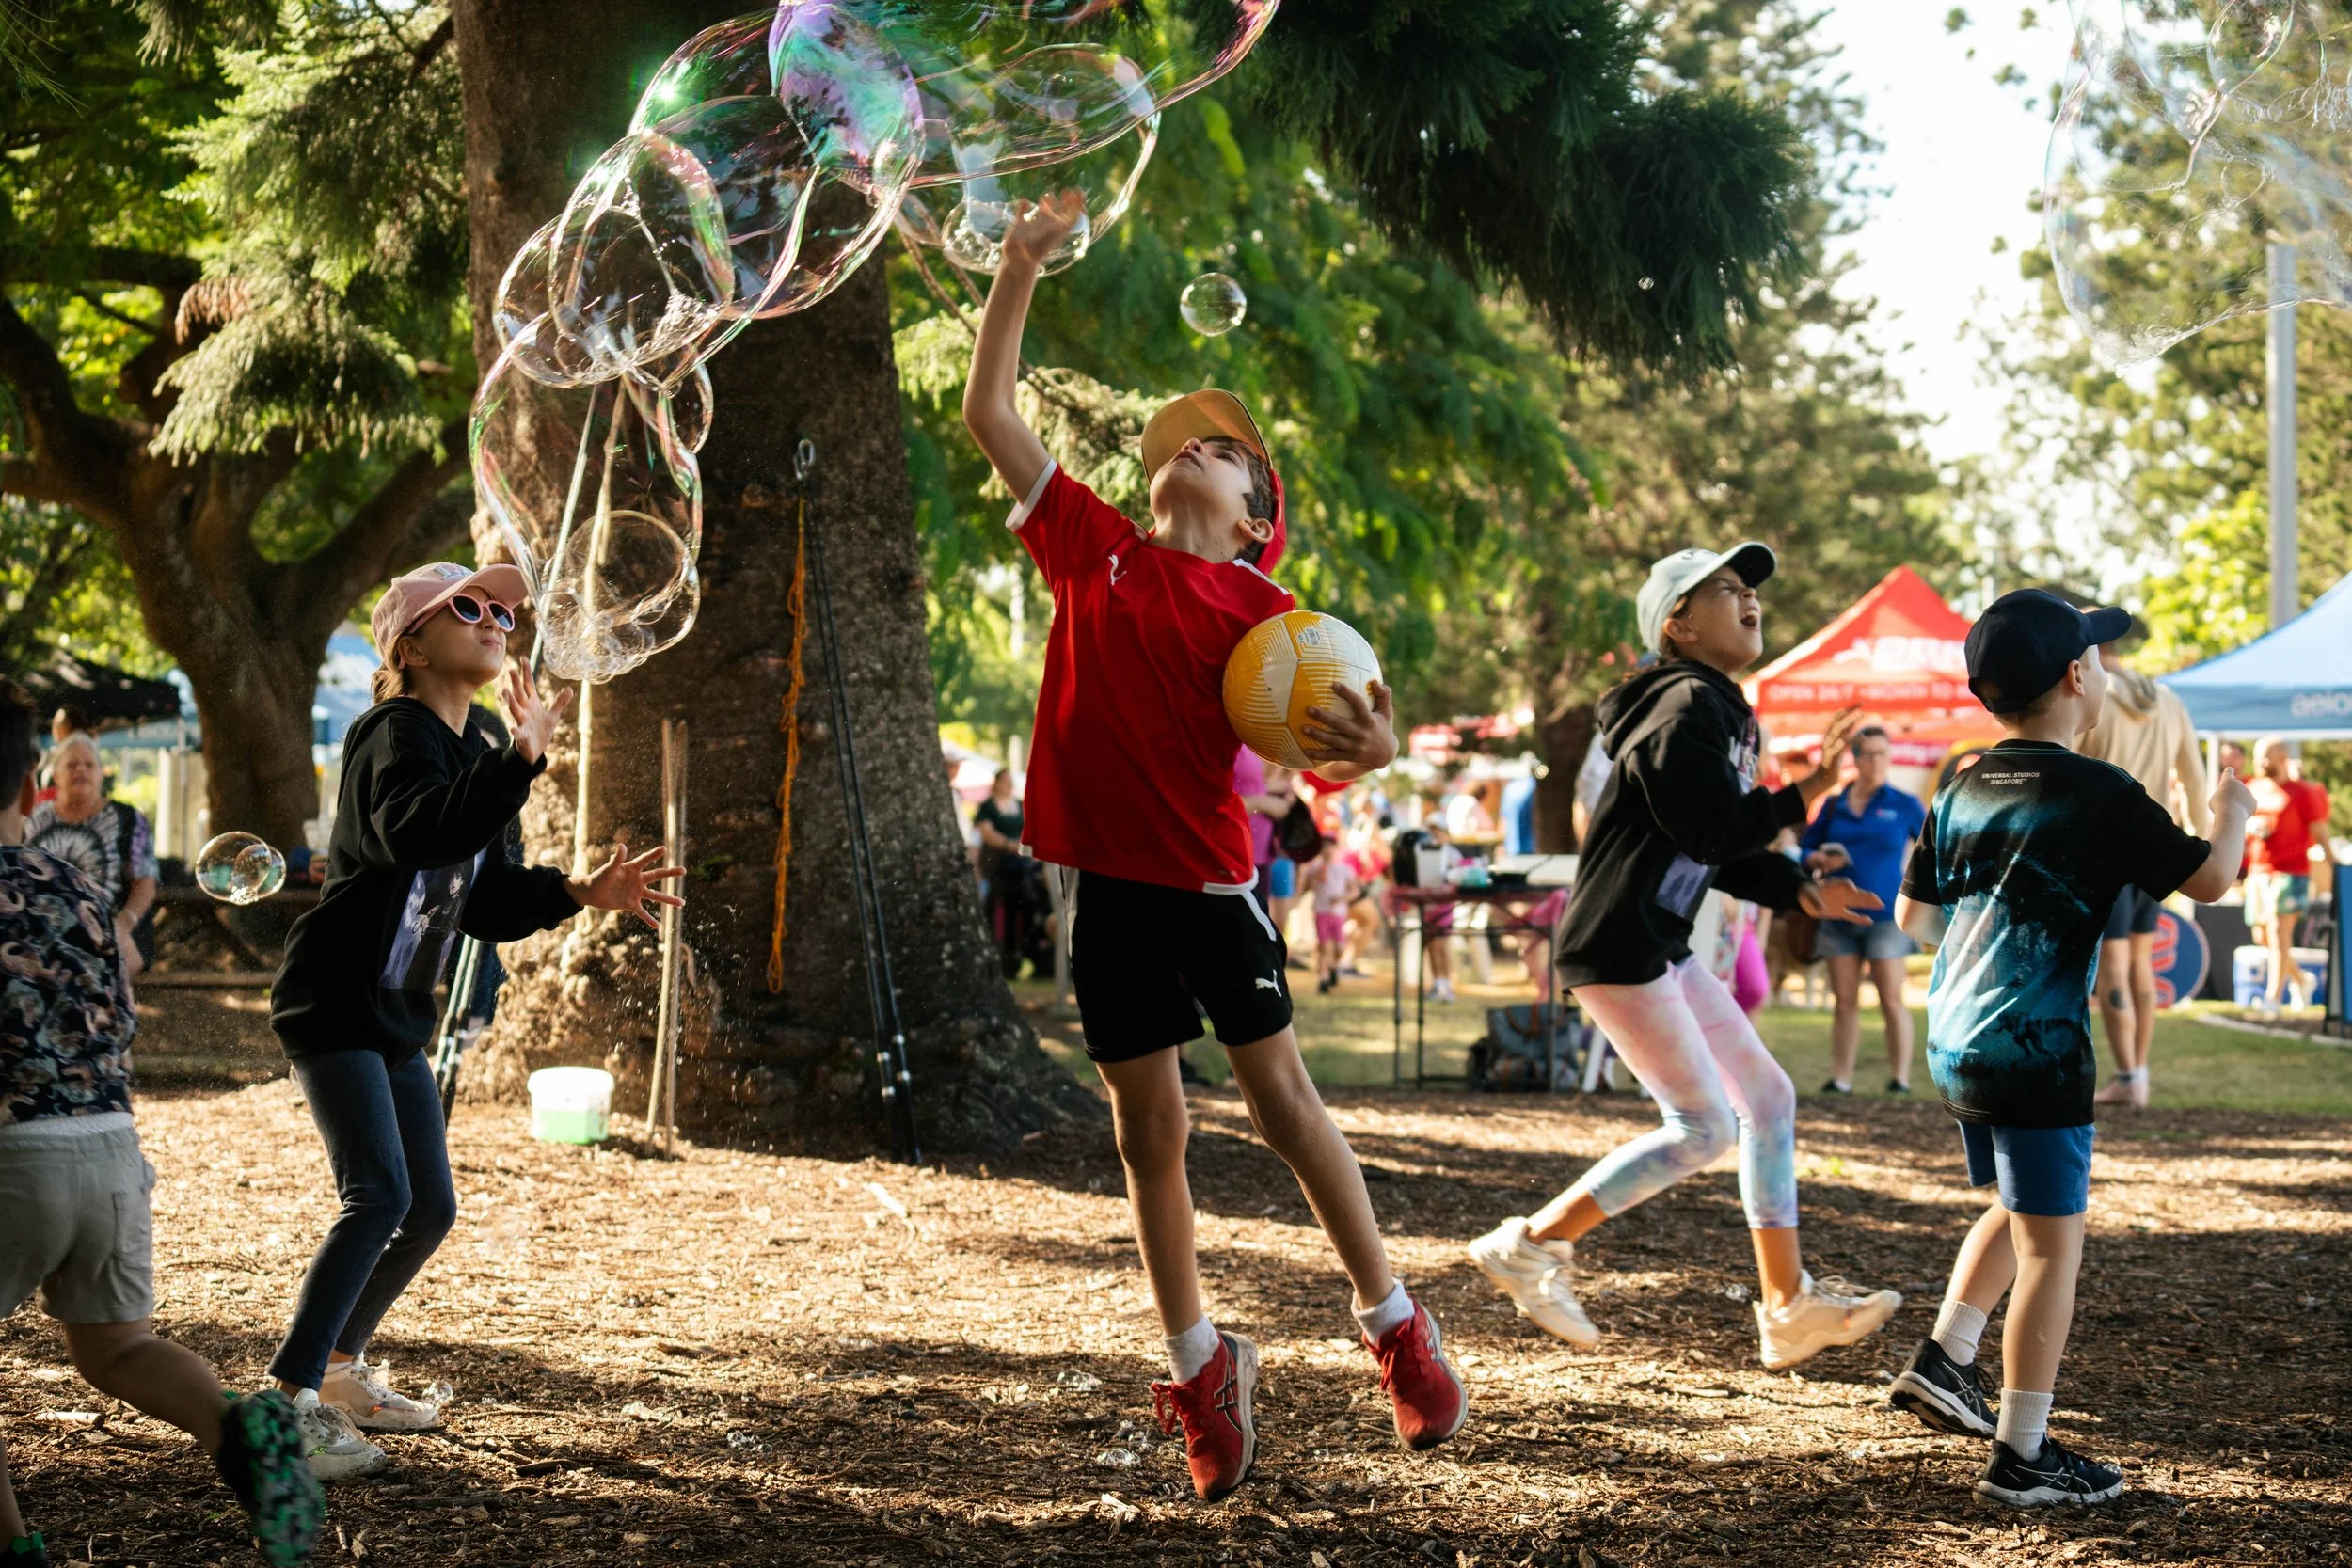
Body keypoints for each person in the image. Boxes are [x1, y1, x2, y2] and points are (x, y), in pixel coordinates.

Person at [962, 190, 1465, 1502]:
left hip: (1209, 892)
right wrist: (1019, 267)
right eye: (1178, 445)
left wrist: (1379, 746)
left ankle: (1395, 1320)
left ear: (1257, 515)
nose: (1194, 450)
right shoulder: (1094, 549)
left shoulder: (1273, 618)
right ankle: (1199, 1362)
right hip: (1106, 895)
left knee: (1286, 1108)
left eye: (1226, 452)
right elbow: (992, 414)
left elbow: (1340, 749)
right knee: (1147, 1130)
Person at [265, 562, 685, 1480]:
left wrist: (579, 889)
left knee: (428, 1207)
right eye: (468, 606)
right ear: (409, 646)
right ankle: (283, 1402)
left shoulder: (483, 739)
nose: (495, 617)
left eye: (501, 608)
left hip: (396, 1004)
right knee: (377, 1194)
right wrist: (518, 763)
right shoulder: (391, 731)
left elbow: (481, 893)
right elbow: (415, 832)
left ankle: (338, 1371)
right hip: (333, 996)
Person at [1468, 544, 1901, 1370]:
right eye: (1727, 590)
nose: (1750, 601)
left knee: (1768, 1099)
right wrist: (1806, 793)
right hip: (1620, 940)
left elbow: (1716, 850)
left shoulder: (1714, 705)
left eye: (1751, 590)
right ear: (1679, 622)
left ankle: (1786, 1306)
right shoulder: (1681, 702)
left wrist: (1800, 887)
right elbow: (1710, 830)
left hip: (1653, 937)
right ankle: (1528, 1244)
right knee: (1702, 1126)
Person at [1887, 590, 2249, 1507]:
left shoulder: (1961, 779)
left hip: (1958, 1037)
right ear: (2077, 677)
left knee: (2018, 1209)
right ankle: (2022, 1452)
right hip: (2036, 1047)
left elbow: (1914, 918)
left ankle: (1945, 1356)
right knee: (2054, 1242)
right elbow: (2209, 877)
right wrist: (2230, 806)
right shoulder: (2099, 790)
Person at [0, 678, 326, 1568]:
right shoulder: (79, 890)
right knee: (118, 1346)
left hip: (13, 1155)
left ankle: (17, 1545)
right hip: (108, 1146)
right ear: (33, 785)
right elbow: (115, 1018)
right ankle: (238, 1429)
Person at [2075, 634, 2210, 1108]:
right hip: (2157, 844)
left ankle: (2129, 1074)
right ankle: (2140, 1073)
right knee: (2140, 963)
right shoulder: (2167, 699)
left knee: (2113, 967)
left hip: (2103, 849)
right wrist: (2203, 840)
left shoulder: (2090, 695)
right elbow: (2194, 776)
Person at [1799, 725, 1927, 1094]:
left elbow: (1930, 851)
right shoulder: (1833, 803)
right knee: (1844, 1001)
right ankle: (1841, 1078)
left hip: (1886, 914)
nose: (1875, 761)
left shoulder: (1903, 803)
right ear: (1854, 758)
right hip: (1837, 912)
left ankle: (1900, 1078)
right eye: (1868, 753)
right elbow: (1806, 850)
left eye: (1882, 754)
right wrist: (1818, 858)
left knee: (1891, 998)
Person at [26, 731, 158, 976]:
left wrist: (123, 924)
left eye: (89, 764)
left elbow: (146, 880)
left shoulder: (127, 819)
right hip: (45, 936)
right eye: (72, 765)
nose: (81, 770)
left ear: (101, 774)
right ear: (55, 775)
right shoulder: (35, 820)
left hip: (110, 937)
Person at [2243, 736, 2315, 1011]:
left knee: (2278, 933)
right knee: (2262, 936)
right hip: (2259, 870)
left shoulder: (2301, 792)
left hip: (2291, 871)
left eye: (2267, 757)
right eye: (2258, 757)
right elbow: (2243, 818)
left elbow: (2316, 831)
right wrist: (2252, 826)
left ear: (2282, 759)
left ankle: (2273, 998)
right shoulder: (2253, 787)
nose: (2260, 763)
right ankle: (2300, 980)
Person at [1309, 837, 1359, 994]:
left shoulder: (1344, 869)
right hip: (1321, 910)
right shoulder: (1315, 868)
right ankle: (1323, 978)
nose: (1327, 850)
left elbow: (1354, 890)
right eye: (1324, 846)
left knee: (1339, 945)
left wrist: (1342, 899)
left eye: (1330, 846)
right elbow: (1310, 886)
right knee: (1323, 945)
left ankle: (1334, 967)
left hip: (1338, 912)